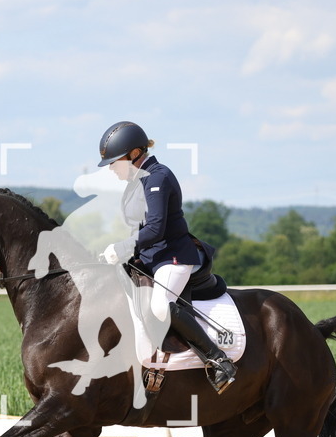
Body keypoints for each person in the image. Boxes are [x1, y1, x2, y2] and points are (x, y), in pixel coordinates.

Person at [97, 121, 236, 394]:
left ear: (135, 154)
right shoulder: (136, 182)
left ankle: (219, 360)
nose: (112, 168)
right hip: (149, 257)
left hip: (172, 258)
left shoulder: (157, 177)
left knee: (161, 306)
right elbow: (136, 228)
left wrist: (124, 248)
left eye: (116, 162)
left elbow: (155, 227)